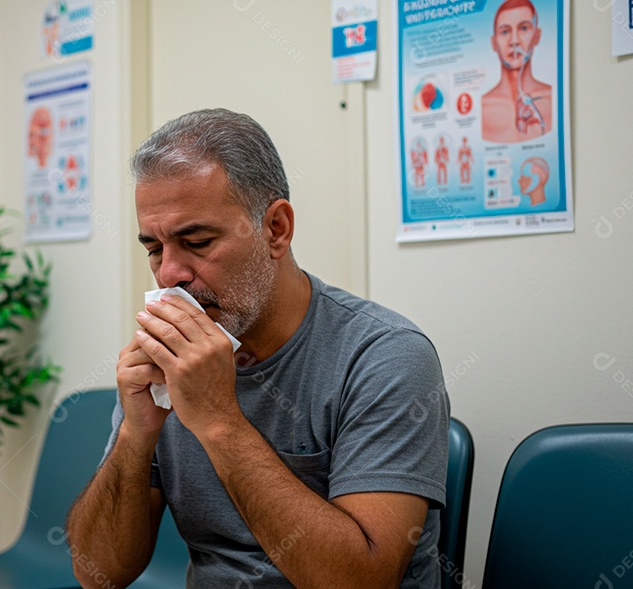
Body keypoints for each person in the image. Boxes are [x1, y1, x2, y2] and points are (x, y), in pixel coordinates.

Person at [66, 109, 450, 588]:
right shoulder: (168, 361)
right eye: (154, 248)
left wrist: (218, 420)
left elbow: (362, 580)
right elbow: (98, 574)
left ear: (276, 229)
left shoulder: (385, 356)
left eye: (197, 241)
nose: (169, 274)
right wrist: (134, 435)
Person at [481, 0, 552, 143]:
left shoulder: (552, 100)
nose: (514, 41)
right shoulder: (481, 108)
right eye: (505, 31)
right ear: (494, 43)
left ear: (537, 36)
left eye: (524, 28)